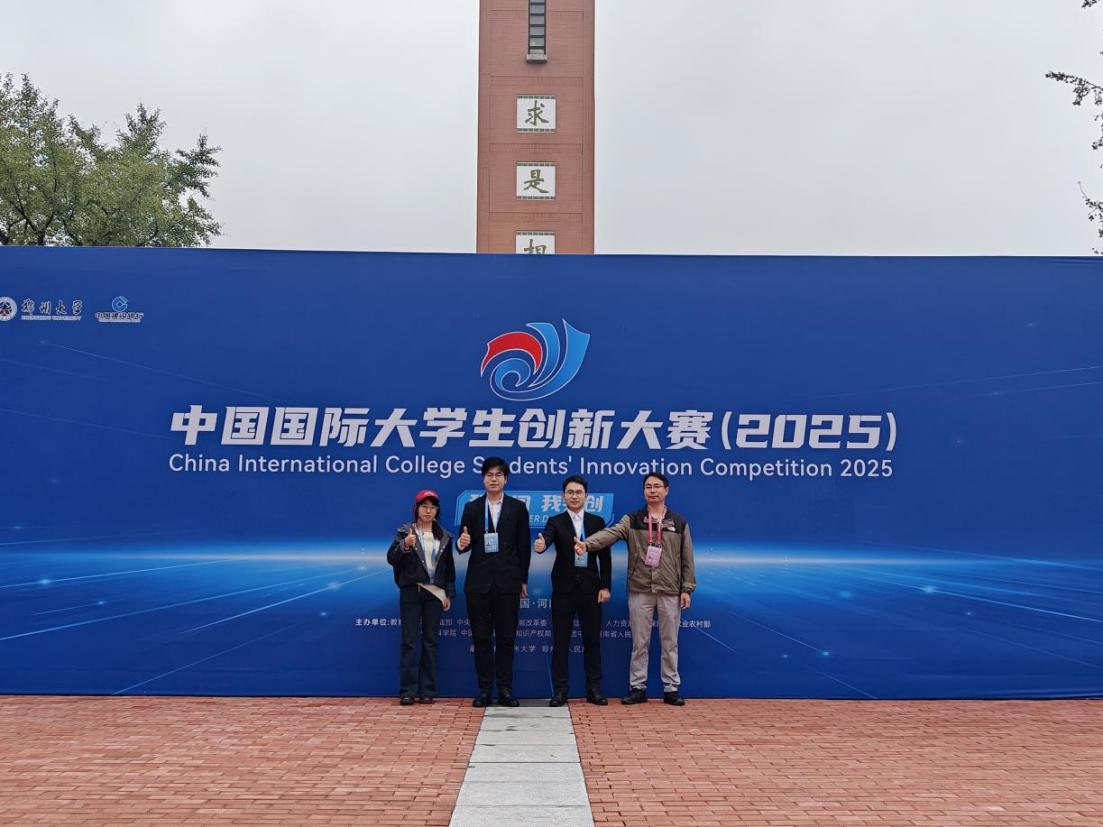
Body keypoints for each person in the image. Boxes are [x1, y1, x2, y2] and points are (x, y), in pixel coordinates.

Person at [578, 472, 696, 706]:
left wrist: (687, 588)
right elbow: (610, 533)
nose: (652, 490)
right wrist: (587, 544)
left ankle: (671, 688)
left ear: (666, 490)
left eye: (657, 486)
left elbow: (687, 558)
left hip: (670, 589)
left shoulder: (679, 522)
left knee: (670, 642)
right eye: (648, 487)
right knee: (640, 642)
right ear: (643, 491)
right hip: (640, 588)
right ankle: (637, 688)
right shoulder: (632, 520)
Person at [456, 457, 531, 707]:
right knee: (481, 638)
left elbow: (523, 547)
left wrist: (523, 579)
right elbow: (463, 542)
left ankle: (505, 689)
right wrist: (461, 544)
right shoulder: (472, 507)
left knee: (507, 638)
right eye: (489, 474)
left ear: (506, 479)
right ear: (483, 479)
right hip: (478, 583)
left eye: (499, 475)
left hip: (508, 582)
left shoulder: (517, 508)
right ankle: (485, 690)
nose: (494, 479)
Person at [534, 475, 611, 706]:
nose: (574, 496)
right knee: (561, 641)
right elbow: (546, 539)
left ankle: (594, 689)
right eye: (570, 492)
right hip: (564, 589)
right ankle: (560, 690)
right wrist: (541, 546)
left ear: (586, 496)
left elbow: (605, 558)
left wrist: (605, 586)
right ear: (563, 496)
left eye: (578, 492)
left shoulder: (597, 522)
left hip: (591, 589)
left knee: (592, 641)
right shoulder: (555, 520)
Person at [386, 489, 456, 705]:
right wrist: (405, 545)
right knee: (409, 641)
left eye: (432, 507)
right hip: (412, 590)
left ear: (437, 511)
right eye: (424, 506)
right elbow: (391, 558)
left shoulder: (444, 536)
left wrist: (448, 593)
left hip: (435, 593)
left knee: (430, 642)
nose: (428, 511)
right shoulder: (405, 532)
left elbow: (448, 568)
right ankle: (407, 690)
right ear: (416, 509)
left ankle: (427, 690)